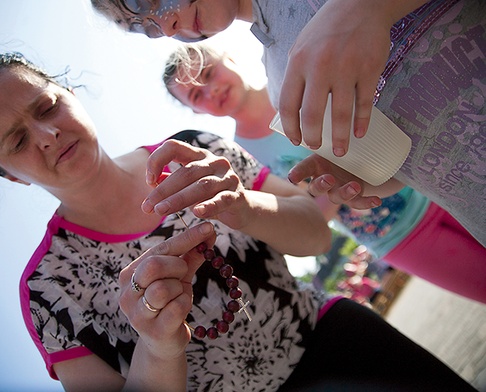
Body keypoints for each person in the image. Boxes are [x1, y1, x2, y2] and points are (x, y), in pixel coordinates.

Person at [1, 52, 476, 391]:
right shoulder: (46, 289)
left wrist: (243, 206)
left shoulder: (195, 148)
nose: (46, 135)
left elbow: (314, 234)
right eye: (16, 141)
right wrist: (158, 348)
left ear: (69, 93)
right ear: (10, 176)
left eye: (47, 106)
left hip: (335, 338)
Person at [89, 0, 486, 248]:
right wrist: (357, 177)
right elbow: (404, 167)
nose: (166, 24)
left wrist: (367, 7)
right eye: (144, 26)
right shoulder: (283, 83)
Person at [162, 42, 486, 304]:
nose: (209, 90)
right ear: (195, 110)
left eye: (207, 73)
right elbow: (303, 217)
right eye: (195, 94)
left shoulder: (295, 79)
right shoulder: (242, 160)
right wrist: (327, 186)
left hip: (431, 179)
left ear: (229, 57)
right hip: (398, 236)